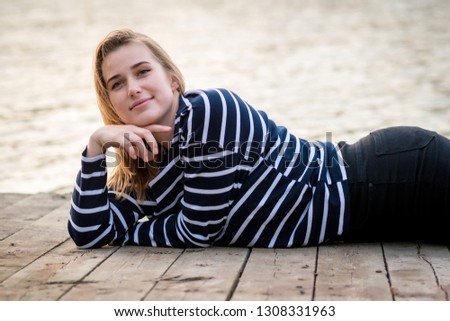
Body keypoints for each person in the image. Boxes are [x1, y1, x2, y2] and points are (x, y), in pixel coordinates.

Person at [68, 29, 450, 249]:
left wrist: (133, 232)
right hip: (371, 223)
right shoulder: (142, 164)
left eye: (142, 71)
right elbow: (89, 233)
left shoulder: (210, 111)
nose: (132, 88)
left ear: (172, 80)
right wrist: (96, 144)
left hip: (392, 176)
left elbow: (199, 231)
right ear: (112, 104)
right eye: (117, 84)